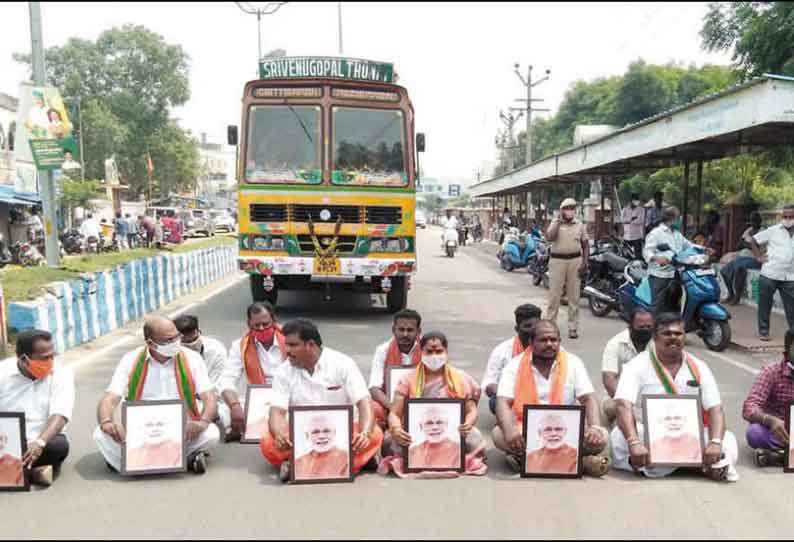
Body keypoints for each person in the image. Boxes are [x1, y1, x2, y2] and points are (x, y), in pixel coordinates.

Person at [611, 312, 739, 482]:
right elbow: (622, 405)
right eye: (666, 334)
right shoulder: (636, 366)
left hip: (689, 435)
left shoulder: (699, 367)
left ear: (684, 337)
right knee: (618, 440)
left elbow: (715, 408)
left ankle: (671, 465)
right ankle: (698, 466)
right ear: (655, 338)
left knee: (726, 439)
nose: (673, 338)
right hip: (650, 435)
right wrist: (634, 442)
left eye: (678, 334)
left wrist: (715, 442)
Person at [259, 318, 383, 483]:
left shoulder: (342, 363)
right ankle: (353, 463)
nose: (287, 350)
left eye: (293, 345)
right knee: (268, 442)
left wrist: (365, 433)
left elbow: (363, 402)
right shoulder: (284, 371)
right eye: (286, 344)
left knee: (374, 435)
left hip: (341, 432)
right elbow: (277, 412)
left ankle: (299, 466)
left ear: (310, 345)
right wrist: (280, 436)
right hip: (304, 434)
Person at [93, 316, 219, 474]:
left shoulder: (192, 358)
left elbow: (209, 397)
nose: (176, 342)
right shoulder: (130, 359)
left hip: (180, 428)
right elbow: (110, 398)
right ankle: (184, 461)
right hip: (142, 429)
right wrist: (106, 422)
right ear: (150, 343)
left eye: (177, 336)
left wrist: (202, 422)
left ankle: (133, 462)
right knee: (100, 434)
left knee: (211, 433)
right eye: (169, 340)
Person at [492, 320, 609, 476]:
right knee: (499, 435)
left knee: (602, 437)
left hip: (566, 431)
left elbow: (588, 398)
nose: (549, 344)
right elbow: (502, 402)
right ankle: (581, 462)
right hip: (526, 430)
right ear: (531, 342)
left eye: (553, 340)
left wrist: (594, 427)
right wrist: (509, 431)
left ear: (559, 342)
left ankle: (527, 461)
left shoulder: (573, 363)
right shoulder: (514, 366)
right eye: (543, 340)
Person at [384, 331, 485, 476]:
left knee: (474, 438)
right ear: (421, 351)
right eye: (429, 351)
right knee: (389, 442)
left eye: (439, 351)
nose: (434, 356)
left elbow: (471, 409)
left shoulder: (460, 378)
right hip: (416, 434)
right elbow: (395, 412)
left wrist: (468, 424)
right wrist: (396, 428)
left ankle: (455, 457)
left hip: (451, 432)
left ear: (446, 351)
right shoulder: (407, 379)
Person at [0, 330, 74, 487]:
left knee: (59, 447)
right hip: (6, 441)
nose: (50, 361)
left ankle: (15, 471)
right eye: (44, 358)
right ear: (24, 359)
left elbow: (60, 415)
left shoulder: (62, 373)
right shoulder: (2, 373)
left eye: (52, 356)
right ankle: (33, 473)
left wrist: (40, 442)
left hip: (43, 439)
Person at [219, 302, 286, 441]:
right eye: (256, 325)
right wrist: (234, 406)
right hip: (257, 398)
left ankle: (249, 428)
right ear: (249, 324)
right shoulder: (240, 346)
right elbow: (227, 379)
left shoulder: (289, 339)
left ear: (274, 320)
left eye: (265, 324)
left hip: (285, 394)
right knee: (225, 408)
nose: (261, 329)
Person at [742, 329, 794, 467]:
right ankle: (787, 455)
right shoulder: (771, 372)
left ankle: (779, 457)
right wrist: (770, 420)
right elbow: (749, 407)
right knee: (754, 433)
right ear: (787, 350)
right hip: (780, 432)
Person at [482, 304, 543, 415]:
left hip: (543, 397)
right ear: (517, 328)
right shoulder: (502, 350)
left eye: (536, 326)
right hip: (513, 397)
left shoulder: (552, 349)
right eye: (528, 326)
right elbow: (489, 383)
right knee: (495, 402)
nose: (533, 331)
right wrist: (506, 392)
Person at [368, 309, 422, 429]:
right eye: (401, 329)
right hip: (390, 404)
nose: (405, 334)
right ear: (394, 330)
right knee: (373, 408)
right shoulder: (383, 350)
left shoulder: (427, 349)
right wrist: (394, 408)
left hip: (421, 405)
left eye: (410, 330)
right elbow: (374, 388)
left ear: (418, 331)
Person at [173, 313, 228, 429]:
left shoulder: (216, 349)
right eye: (185, 343)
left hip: (210, 399)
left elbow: (217, 385)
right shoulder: (171, 353)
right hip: (181, 402)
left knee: (227, 416)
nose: (190, 345)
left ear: (199, 332)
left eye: (193, 340)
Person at [601, 309, 654, 427]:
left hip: (650, 399)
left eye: (649, 327)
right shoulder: (615, 344)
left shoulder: (658, 344)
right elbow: (609, 379)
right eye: (641, 327)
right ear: (631, 326)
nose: (645, 330)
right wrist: (626, 403)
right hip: (618, 397)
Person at [545, 198, 589, 339]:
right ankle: (551, 326)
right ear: (562, 210)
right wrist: (558, 221)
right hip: (557, 261)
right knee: (554, 296)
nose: (570, 210)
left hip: (575, 261)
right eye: (567, 208)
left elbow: (585, 244)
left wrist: (584, 262)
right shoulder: (555, 223)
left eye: (572, 208)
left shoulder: (580, 225)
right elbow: (550, 237)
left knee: (574, 296)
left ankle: (573, 327)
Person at [751, 205, 794, 341]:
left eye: (790, 217)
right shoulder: (773, 230)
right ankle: (764, 332)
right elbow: (754, 240)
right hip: (770, 273)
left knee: (792, 308)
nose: (787, 219)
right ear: (781, 217)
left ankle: (793, 334)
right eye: (785, 216)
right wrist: (758, 257)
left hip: (790, 276)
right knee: (765, 305)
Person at [643, 206, 694, 317]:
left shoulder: (676, 234)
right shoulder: (656, 233)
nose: (680, 220)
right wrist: (657, 258)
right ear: (671, 218)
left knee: (675, 302)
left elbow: (689, 245)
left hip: (676, 273)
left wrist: (704, 249)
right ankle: (653, 329)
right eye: (678, 217)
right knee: (658, 305)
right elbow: (647, 251)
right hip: (660, 274)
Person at [721, 211, 764, 305]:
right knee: (724, 270)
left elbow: (755, 246)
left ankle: (737, 297)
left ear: (760, 220)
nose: (754, 222)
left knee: (739, 269)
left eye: (756, 219)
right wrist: (747, 244)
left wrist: (746, 243)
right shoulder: (748, 230)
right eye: (752, 220)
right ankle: (731, 294)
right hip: (742, 256)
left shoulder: (763, 231)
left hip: (756, 259)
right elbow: (738, 244)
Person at [294, 415, 350, 479]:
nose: (321, 436)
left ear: (334, 433)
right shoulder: (298, 463)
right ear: (307, 436)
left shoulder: (346, 458)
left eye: (326, 431)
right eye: (315, 432)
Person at [621, 193, 646, 258]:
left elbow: (640, 220)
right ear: (631, 200)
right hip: (627, 236)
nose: (637, 201)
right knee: (626, 255)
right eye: (635, 199)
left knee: (638, 255)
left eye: (638, 199)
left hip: (637, 236)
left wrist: (628, 221)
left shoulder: (641, 210)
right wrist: (632, 219)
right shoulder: (625, 209)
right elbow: (622, 220)